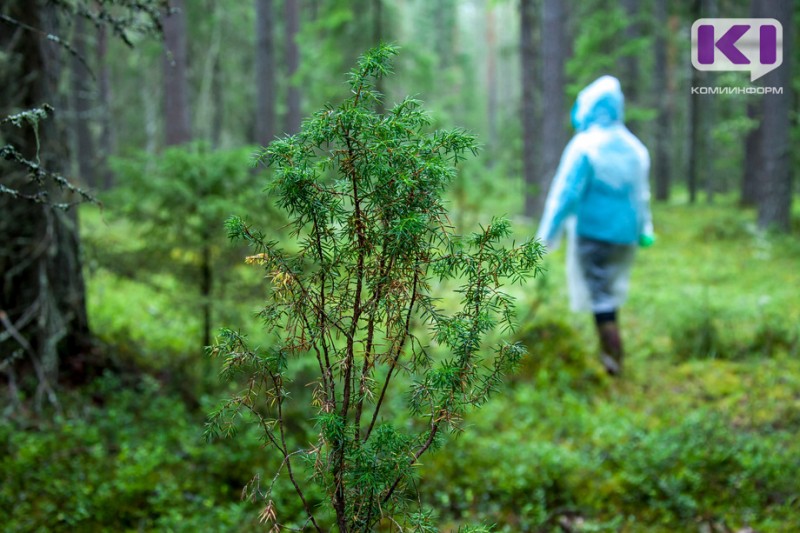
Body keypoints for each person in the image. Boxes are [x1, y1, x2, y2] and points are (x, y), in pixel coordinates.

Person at [535, 75, 654, 377]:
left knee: (601, 296)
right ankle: (611, 356)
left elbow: (565, 194)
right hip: (625, 236)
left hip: (593, 233)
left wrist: (545, 237)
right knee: (609, 292)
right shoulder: (635, 148)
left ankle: (612, 358)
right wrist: (645, 230)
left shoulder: (585, 146)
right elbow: (641, 195)